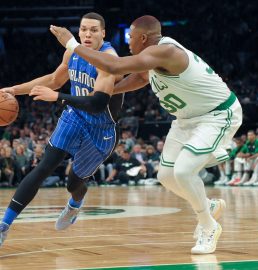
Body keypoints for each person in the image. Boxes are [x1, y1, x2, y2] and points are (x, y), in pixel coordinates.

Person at [48, 15, 242, 254]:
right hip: (186, 119)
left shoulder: (166, 52)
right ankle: (207, 205)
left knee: (183, 171)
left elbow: (115, 66)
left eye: (131, 37)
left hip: (217, 115)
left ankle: (208, 225)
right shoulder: (151, 60)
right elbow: (140, 78)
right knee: (166, 176)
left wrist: (71, 43)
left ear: (143, 38)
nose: (128, 42)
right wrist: (109, 91)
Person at [0, 12, 124, 246]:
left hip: (101, 128)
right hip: (74, 116)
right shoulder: (72, 51)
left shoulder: (109, 60)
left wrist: (57, 97)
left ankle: (75, 205)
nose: (88, 34)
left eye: (94, 30)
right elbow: (55, 79)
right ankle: (4, 225)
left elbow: (98, 104)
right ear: (78, 31)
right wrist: (13, 90)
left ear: (103, 33)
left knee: (73, 183)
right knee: (43, 167)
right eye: (84, 29)